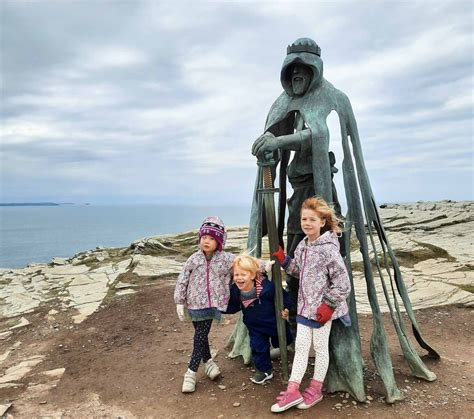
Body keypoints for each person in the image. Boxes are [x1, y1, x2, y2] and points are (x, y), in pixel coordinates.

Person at [269, 196, 351, 413]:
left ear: (322, 222)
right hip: (305, 309)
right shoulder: (303, 246)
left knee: (321, 349)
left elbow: (343, 283)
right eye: (304, 219)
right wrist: (285, 261)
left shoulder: (329, 249)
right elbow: (299, 272)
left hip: (323, 311)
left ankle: (316, 389)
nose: (307, 223)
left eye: (312, 219)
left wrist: (329, 305)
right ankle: (293, 390)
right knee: (302, 348)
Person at [174, 216, 235, 393]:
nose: (206, 241)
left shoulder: (225, 259)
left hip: (212, 304)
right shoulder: (193, 259)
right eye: (204, 237)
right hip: (194, 305)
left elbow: (243, 263)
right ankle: (208, 363)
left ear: (219, 241)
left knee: (199, 336)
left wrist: (263, 266)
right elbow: (182, 280)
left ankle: (190, 373)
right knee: (201, 336)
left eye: (211, 238)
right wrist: (179, 301)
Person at [224, 254, 293, 385]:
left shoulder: (267, 288)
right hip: (254, 326)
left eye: (243, 275)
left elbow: (284, 297)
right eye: (236, 275)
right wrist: (217, 309)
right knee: (258, 347)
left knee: (283, 341)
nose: (239, 278)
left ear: (252, 275)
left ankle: (283, 348)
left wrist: (286, 310)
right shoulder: (235, 291)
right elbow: (232, 306)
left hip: (274, 323)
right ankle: (265, 370)